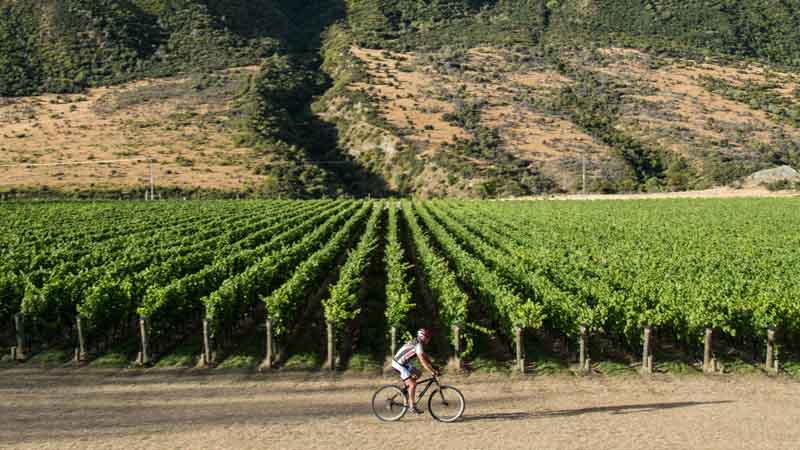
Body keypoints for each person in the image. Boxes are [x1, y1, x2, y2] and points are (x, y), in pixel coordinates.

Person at [391, 328, 439, 414]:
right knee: (413, 384)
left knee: (418, 373)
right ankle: (412, 406)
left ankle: (407, 390)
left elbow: (424, 356)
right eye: (427, 337)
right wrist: (432, 371)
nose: (429, 339)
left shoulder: (418, 343)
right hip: (398, 364)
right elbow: (423, 361)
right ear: (422, 337)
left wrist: (432, 365)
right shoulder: (418, 345)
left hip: (403, 363)